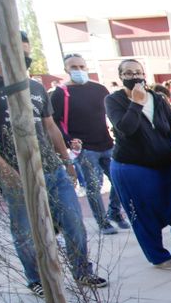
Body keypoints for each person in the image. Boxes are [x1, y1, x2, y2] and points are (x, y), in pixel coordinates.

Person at [0, 31, 107, 294]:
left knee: (74, 223)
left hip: (52, 170)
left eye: (25, 51)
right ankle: (37, 279)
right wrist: (4, 170)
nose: (22, 57)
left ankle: (82, 271)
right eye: (14, 50)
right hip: (15, 171)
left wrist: (66, 162)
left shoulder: (35, 87)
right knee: (26, 229)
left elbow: (50, 127)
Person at [105, 58, 171, 271]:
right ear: (121, 77)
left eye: (137, 72)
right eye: (128, 73)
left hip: (166, 163)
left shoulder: (157, 99)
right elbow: (126, 128)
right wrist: (136, 103)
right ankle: (158, 256)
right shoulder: (114, 101)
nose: (134, 76)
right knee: (144, 212)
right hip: (132, 168)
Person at [53, 54, 128, 235]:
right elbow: (53, 122)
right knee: (93, 186)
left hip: (107, 143)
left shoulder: (99, 89)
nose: (78, 70)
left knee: (119, 181)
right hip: (85, 148)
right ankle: (102, 221)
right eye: (74, 67)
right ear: (66, 70)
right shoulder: (60, 93)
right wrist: (69, 140)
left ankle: (114, 212)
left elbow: (111, 114)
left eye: (81, 66)